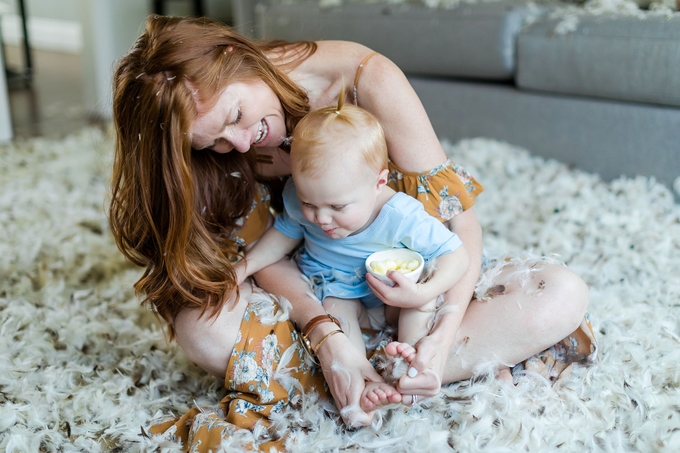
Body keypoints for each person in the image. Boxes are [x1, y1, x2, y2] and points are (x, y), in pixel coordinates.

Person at [109, 15, 596, 451]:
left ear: (236, 57)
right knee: (198, 324)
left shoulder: (369, 82)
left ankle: (391, 369)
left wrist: (442, 336)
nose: (237, 144)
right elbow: (272, 246)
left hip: (406, 287)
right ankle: (374, 370)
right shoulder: (226, 148)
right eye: (212, 141)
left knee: (559, 293)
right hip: (316, 292)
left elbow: (456, 227)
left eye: (235, 117)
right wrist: (327, 337)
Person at [234, 89, 471, 411]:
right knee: (335, 314)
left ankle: (415, 366)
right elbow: (284, 234)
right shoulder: (298, 196)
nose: (321, 218)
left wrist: (420, 292)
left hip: (394, 295)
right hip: (336, 289)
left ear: (378, 182)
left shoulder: (401, 215)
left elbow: (456, 255)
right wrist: (244, 267)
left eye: (337, 206)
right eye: (309, 203)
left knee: (425, 303)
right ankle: (363, 380)